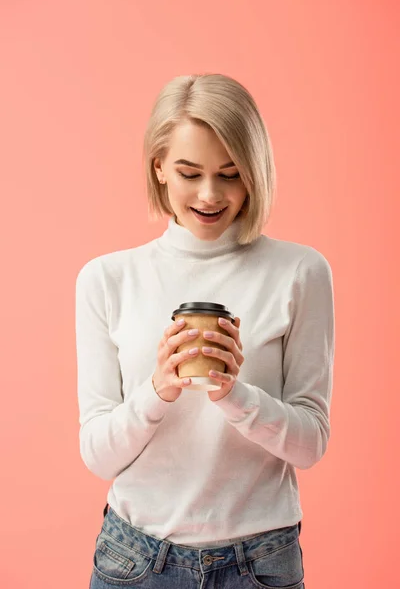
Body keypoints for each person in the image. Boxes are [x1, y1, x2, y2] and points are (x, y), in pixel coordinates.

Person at [75, 73, 335, 589]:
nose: (210, 195)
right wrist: (158, 391)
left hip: (261, 560)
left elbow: (311, 444)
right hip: (135, 560)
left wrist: (234, 395)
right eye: (189, 173)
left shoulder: (301, 273)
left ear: (255, 171)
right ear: (160, 168)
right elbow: (98, 455)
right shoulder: (106, 279)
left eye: (232, 173)